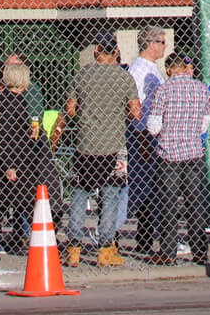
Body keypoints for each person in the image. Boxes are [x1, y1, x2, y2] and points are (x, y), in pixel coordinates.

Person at [64, 39, 139, 265]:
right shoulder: (124, 78)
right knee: (110, 196)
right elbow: (136, 112)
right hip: (114, 144)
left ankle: (74, 247)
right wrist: (119, 112)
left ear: (96, 50)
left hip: (85, 144)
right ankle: (105, 248)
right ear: (116, 51)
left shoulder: (82, 75)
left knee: (80, 194)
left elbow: (70, 109)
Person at [144, 52, 210, 265]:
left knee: (169, 204)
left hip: (169, 154)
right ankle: (199, 250)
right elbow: (205, 123)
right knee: (195, 203)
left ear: (168, 69)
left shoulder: (163, 90)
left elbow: (153, 126)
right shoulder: (201, 89)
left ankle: (168, 251)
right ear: (184, 67)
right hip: (193, 152)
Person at [121, 27, 168, 253]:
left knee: (151, 189)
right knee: (142, 188)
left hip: (153, 135)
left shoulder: (153, 68)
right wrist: (142, 137)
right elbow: (135, 106)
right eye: (161, 41)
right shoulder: (139, 70)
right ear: (149, 44)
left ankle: (147, 237)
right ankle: (123, 233)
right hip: (143, 135)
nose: (164, 46)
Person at [0, 59, 38, 257]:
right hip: (14, 161)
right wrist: (10, 164)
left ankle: (30, 238)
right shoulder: (9, 101)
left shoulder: (15, 99)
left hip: (19, 158)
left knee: (18, 203)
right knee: (6, 204)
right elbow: (4, 134)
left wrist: (28, 131)